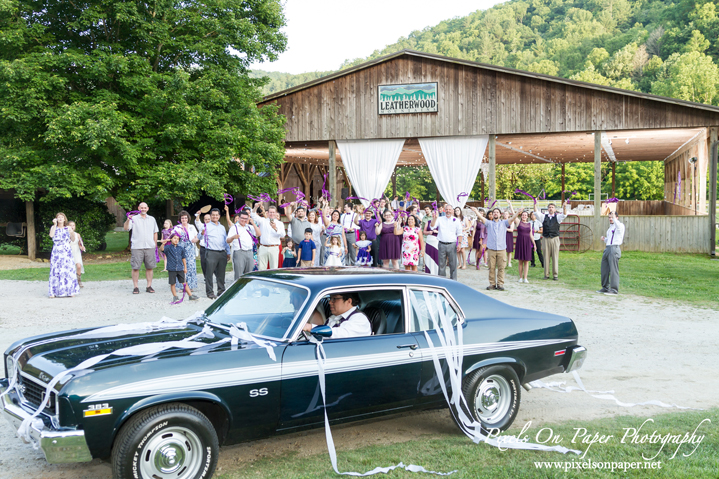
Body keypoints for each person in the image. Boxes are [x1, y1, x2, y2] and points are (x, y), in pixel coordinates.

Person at [471, 202, 520, 291]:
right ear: (492, 215)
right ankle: (492, 284)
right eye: (494, 212)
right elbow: (481, 218)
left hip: (501, 249)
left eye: (497, 212)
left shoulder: (504, 223)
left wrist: (517, 213)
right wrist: (475, 211)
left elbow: (512, 219)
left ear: (500, 214)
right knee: (491, 267)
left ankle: (500, 284)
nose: (495, 213)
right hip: (492, 249)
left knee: (501, 267)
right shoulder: (489, 223)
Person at [302, 292, 371, 338]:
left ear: (349, 301)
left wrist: (311, 327)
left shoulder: (360, 319)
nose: (329, 302)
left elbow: (341, 334)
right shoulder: (334, 317)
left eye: (334, 299)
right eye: (330, 298)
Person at [124, 202, 159, 294]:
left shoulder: (152, 219)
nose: (143, 209)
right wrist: (128, 220)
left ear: (147, 208)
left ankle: (149, 286)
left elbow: (155, 232)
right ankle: (136, 287)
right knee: (135, 267)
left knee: (150, 267)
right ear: (139, 208)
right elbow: (126, 228)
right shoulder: (134, 218)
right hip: (137, 246)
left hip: (149, 246)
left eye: (145, 208)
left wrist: (154, 244)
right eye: (141, 208)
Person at [533, 201, 569, 280]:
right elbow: (536, 212)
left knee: (555, 257)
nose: (551, 209)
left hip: (555, 239)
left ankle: (555, 275)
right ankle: (546, 274)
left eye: (552, 207)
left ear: (555, 209)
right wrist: (534, 203)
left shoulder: (557, 217)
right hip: (546, 239)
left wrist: (564, 207)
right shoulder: (543, 217)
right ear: (547, 209)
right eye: (549, 207)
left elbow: (564, 215)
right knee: (546, 257)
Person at [48, 212, 80, 298]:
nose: (60, 218)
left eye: (62, 217)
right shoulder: (53, 227)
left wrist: (72, 232)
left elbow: (73, 239)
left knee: (67, 269)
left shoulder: (68, 228)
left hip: (66, 251)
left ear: (65, 219)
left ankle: (70, 291)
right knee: (56, 270)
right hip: (57, 251)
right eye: (58, 217)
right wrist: (54, 224)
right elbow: (51, 235)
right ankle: (54, 292)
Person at [160, 233, 199, 302]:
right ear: (171, 239)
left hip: (180, 268)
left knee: (184, 282)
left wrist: (185, 268)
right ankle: (175, 296)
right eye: (174, 238)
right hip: (172, 269)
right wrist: (163, 243)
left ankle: (190, 295)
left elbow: (183, 258)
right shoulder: (168, 248)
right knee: (173, 283)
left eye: (177, 239)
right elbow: (161, 249)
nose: (176, 240)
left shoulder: (180, 248)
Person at [429, 204, 463, 281]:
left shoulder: (456, 220)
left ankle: (453, 281)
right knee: (441, 264)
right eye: (446, 209)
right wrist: (434, 218)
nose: (448, 211)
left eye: (449, 209)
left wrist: (459, 244)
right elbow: (432, 227)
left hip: (452, 244)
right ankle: (442, 281)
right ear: (444, 210)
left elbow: (460, 233)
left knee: (453, 264)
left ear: (452, 210)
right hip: (441, 244)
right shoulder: (440, 219)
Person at [201, 208, 230, 299]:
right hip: (211, 252)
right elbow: (199, 236)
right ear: (210, 216)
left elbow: (225, 241)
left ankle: (221, 290)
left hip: (222, 253)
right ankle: (210, 292)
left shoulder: (222, 227)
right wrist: (201, 233)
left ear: (219, 216)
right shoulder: (206, 226)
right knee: (209, 273)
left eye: (217, 215)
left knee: (221, 273)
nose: (215, 216)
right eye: (213, 215)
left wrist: (228, 252)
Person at [226, 208, 260, 279]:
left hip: (249, 252)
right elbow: (228, 240)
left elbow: (259, 234)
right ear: (239, 218)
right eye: (242, 218)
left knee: (249, 274)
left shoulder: (250, 227)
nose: (244, 220)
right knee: (239, 274)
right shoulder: (234, 228)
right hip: (239, 252)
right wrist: (233, 237)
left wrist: (253, 223)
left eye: (246, 219)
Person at [598, 211, 625, 295]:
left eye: (612, 217)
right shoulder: (610, 228)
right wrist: (605, 239)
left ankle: (614, 289)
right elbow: (610, 239)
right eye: (609, 217)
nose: (610, 219)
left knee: (613, 269)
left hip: (614, 248)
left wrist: (614, 217)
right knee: (604, 268)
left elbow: (618, 228)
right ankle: (605, 287)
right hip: (608, 248)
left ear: (617, 217)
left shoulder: (620, 225)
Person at [252, 204, 286, 270]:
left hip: (274, 247)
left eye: (273, 212)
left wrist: (275, 228)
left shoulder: (279, 223)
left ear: (276, 213)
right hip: (263, 247)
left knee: (273, 268)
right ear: (268, 213)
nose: (272, 214)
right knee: (261, 268)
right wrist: (255, 207)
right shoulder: (263, 221)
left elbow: (283, 235)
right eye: (270, 212)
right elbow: (253, 215)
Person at [514, 210, 537, 283]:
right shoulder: (518, 222)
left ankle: (525, 278)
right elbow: (514, 214)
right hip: (520, 242)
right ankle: (520, 277)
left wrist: (534, 244)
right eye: (523, 215)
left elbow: (531, 235)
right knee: (520, 261)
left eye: (525, 215)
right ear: (521, 216)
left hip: (527, 242)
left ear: (527, 217)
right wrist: (510, 204)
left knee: (526, 261)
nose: (524, 216)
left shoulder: (530, 224)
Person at [67, 221, 85, 288]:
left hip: (76, 251)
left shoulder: (77, 235)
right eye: (70, 225)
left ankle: (79, 280)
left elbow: (80, 244)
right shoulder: (66, 234)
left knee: (79, 266)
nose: (72, 227)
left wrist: (82, 247)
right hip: (69, 252)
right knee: (70, 267)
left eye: (73, 225)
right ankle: (71, 281)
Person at [194, 211, 211, 279]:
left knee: (213, 263)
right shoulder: (202, 226)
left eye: (208, 219)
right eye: (206, 219)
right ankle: (206, 277)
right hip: (203, 247)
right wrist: (198, 214)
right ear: (204, 220)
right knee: (203, 263)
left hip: (211, 247)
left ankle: (216, 277)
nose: (207, 220)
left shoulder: (214, 226)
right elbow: (197, 222)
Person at [423, 208, 439, 275]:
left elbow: (444, 232)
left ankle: (436, 272)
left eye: (435, 214)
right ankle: (428, 272)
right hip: (429, 241)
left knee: (436, 256)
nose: (433, 215)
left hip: (436, 241)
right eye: (432, 214)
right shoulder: (428, 222)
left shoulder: (440, 222)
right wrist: (429, 232)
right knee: (429, 257)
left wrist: (437, 231)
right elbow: (424, 231)